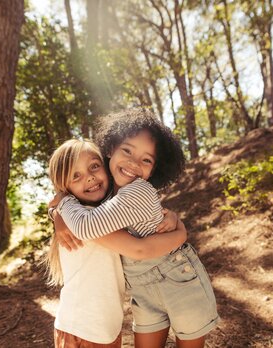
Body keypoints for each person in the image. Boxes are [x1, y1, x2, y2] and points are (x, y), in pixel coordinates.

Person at [53, 109, 220, 348]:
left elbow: (87, 227)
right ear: (110, 149)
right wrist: (56, 212)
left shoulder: (138, 190)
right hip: (141, 288)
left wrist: (62, 202)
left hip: (178, 280)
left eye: (146, 159)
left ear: (154, 170)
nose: (133, 163)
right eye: (128, 151)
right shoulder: (108, 193)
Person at [46, 138, 187, 348]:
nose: (90, 177)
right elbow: (140, 248)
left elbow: (144, 220)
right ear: (64, 187)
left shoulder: (103, 214)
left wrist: (171, 217)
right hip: (84, 331)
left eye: (94, 166)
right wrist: (181, 233)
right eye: (76, 176)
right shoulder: (86, 224)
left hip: (103, 329)